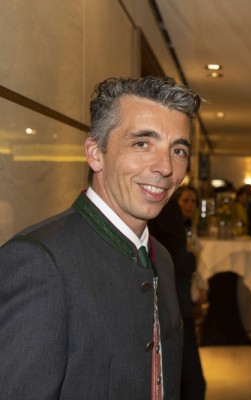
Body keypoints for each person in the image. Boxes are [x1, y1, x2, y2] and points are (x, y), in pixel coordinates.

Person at [0, 76, 201, 399]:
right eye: (142, 144)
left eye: (178, 150)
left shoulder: (161, 257)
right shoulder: (40, 261)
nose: (166, 167)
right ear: (95, 154)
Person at [149, 185, 207, 400]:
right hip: (175, 303)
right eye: (186, 200)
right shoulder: (167, 207)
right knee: (190, 377)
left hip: (172, 300)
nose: (189, 205)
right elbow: (177, 259)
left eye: (193, 201)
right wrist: (191, 259)